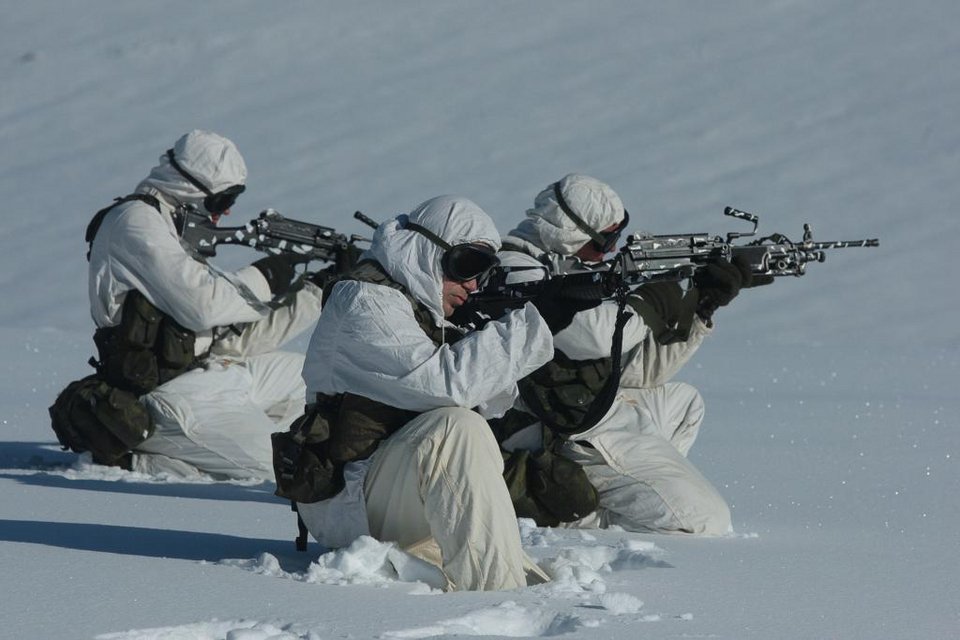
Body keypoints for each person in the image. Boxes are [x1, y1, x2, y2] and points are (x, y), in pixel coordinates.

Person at [293, 195, 559, 591]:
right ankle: (500, 599)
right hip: (348, 499)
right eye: (466, 266)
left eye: (482, 274)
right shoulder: (364, 301)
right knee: (457, 429)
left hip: (389, 486)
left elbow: (490, 400)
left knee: (463, 425)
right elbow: (443, 385)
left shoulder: (414, 305)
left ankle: (502, 579)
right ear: (425, 248)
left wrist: (477, 331)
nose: (471, 285)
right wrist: (541, 320)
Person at [494, 173, 765, 536]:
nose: (607, 252)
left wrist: (700, 308)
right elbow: (593, 337)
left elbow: (643, 373)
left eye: (616, 239)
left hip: (594, 406)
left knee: (685, 403)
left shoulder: (569, 267)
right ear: (568, 231)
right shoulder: (517, 271)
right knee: (708, 522)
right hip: (563, 430)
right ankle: (588, 518)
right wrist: (652, 299)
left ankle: (637, 492)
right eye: (602, 241)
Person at [81, 129, 325, 480]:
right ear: (188, 188)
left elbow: (231, 339)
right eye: (219, 201)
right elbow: (206, 306)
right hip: (175, 393)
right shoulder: (134, 223)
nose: (224, 213)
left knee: (324, 386)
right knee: (277, 474)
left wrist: (317, 291)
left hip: (218, 373)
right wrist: (268, 276)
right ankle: (147, 458)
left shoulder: (174, 229)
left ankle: (227, 446)